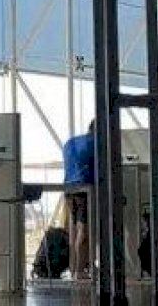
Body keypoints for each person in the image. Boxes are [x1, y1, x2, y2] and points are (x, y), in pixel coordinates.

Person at [62, 120, 95, 280]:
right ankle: (81, 270)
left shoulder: (70, 142)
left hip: (68, 189)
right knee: (84, 229)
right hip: (84, 188)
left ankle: (75, 267)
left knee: (74, 229)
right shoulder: (95, 143)